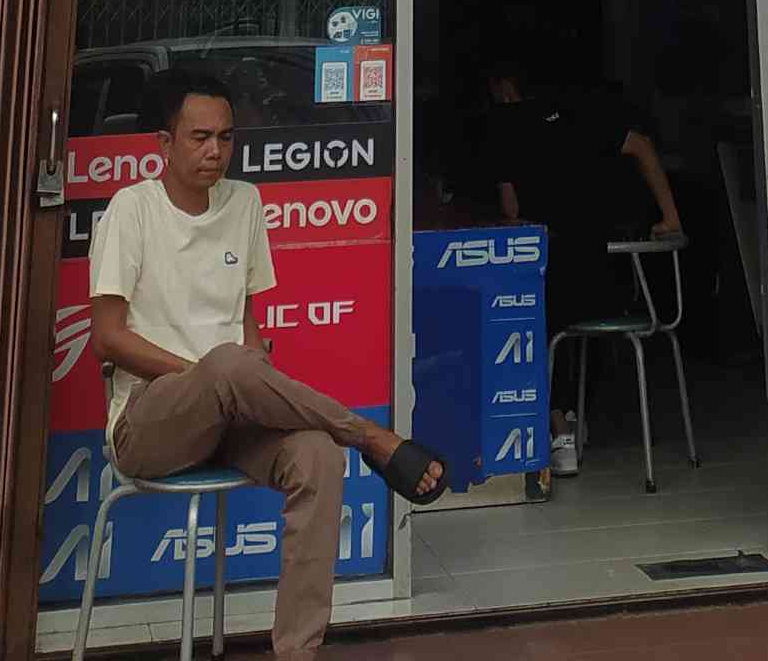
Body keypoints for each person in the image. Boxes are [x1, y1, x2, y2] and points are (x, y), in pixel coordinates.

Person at [88, 67, 445, 657]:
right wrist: (208, 376)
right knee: (229, 365)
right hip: (151, 420)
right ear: (165, 143)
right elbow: (106, 337)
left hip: (230, 416)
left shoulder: (245, 202)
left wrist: (242, 374)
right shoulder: (132, 209)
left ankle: (298, 651)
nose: (215, 150)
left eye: (226, 137)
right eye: (200, 137)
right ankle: (372, 436)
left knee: (318, 456)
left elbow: (247, 319)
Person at [483, 51, 685, 455]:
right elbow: (642, 145)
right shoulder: (585, 114)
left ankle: (559, 424)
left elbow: (511, 211)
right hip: (614, 282)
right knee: (575, 320)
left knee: (534, 314)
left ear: (505, 90)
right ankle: (574, 412)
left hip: (556, 280)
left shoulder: (506, 128)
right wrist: (671, 217)